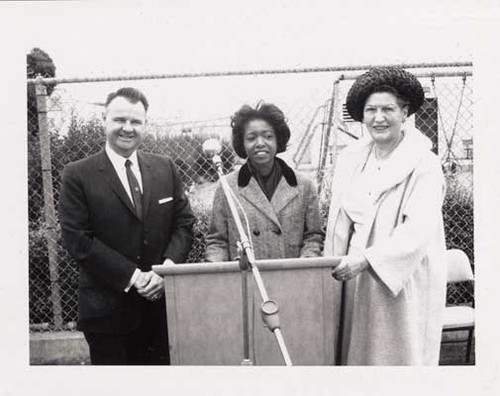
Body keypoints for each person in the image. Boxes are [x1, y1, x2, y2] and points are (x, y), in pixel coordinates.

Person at [59, 87, 195, 365]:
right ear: (104, 119)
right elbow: (78, 240)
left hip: (162, 311)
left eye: (136, 121)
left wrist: (166, 271)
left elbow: (184, 223)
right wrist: (134, 277)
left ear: (145, 124)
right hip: (107, 316)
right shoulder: (77, 174)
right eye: (120, 120)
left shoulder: (165, 168)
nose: (128, 128)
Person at [324, 67, 447, 365]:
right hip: (352, 275)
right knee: (357, 355)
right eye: (371, 110)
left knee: (395, 356)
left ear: (404, 112)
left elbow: (417, 230)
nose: (379, 118)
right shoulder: (351, 159)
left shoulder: (424, 164)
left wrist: (367, 260)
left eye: (388, 109)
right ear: (362, 116)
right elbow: (339, 222)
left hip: (399, 277)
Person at [205, 102, 323, 263]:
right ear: (242, 143)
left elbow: (314, 236)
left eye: (268, 136)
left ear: (278, 140)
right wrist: (222, 274)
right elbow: (217, 241)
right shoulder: (226, 186)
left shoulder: (304, 185)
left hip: (291, 279)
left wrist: (304, 264)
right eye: (251, 138)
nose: (260, 143)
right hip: (246, 280)